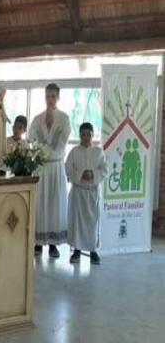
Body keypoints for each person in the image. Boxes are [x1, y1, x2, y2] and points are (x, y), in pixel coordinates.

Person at [28, 83, 71, 258]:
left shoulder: (64, 118)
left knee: (54, 203)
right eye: (47, 96)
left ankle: (53, 243)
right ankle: (38, 241)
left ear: (58, 97)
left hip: (55, 165)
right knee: (40, 203)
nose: (50, 99)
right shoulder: (38, 118)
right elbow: (31, 137)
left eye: (53, 96)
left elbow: (62, 141)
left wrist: (46, 145)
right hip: (41, 168)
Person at [65, 122, 107, 265]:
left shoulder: (99, 152)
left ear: (92, 135)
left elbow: (104, 170)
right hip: (78, 193)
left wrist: (93, 174)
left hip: (92, 193)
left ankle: (93, 251)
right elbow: (68, 168)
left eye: (88, 134)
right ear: (80, 136)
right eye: (83, 134)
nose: (86, 137)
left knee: (92, 224)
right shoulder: (74, 152)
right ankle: (76, 251)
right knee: (77, 223)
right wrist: (81, 174)